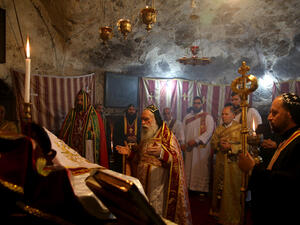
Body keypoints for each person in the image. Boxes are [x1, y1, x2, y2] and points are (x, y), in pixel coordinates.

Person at [116, 104, 192, 225]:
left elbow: (177, 158)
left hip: (158, 183)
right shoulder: (146, 136)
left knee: (155, 210)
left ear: (155, 119)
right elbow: (139, 158)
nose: (143, 122)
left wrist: (162, 153)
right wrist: (129, 154)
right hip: (142, 181)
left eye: (147, 119)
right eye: (142, 119)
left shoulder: (168, 137)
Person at [238, 93, 300, 225]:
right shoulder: (286, 138)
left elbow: (288, 184)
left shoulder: (298, 141)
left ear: (289, 114)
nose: (269, 117)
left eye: (274, 113)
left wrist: (253, 168)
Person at [210, 103, 243, 225]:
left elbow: (246, 146)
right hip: (220, 163)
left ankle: (232, 216)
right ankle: (218, 213)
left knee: (231, 190)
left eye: (226, 114)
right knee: (219, 188)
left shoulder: (240, 128)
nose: (223, 116)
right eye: (222, 114)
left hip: (233, 165)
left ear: (233, 115)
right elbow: (213, 143)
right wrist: (219, 144)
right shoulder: (219, 128)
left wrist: (231, 147)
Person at [59, 89, 108, 168]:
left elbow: (99, 136)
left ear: (87, 101)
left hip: (88, 149)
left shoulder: (94, 115)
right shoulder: (72, 113)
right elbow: (64, 132)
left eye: (82, 100)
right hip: (73, 148)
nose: (79, 102)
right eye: (78, 100)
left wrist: (89, 134)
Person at [182, 96, 215, 194]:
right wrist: (183, 143)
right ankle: (189, 187)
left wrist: (196, 140)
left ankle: (201, 189)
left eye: (198, 103)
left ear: (202, 104)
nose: (196, 105)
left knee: (200, 167)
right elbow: (182, 132)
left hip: (201, 149)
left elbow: (209, 132)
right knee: (188, 167)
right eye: (195, 103)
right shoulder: (187, 117)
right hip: (189, 148)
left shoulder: (208, 117)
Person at [112, 104, 141, 174]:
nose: (131, 111)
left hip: (136, 148)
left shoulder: (140, 121)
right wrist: (126, 138)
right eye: (130, 109)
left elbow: (143, 134)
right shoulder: (120, 121)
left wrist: (137, 139)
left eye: (133, 110)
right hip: (124, 146)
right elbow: (116, 135)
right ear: (127, 111)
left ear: (135, 111)